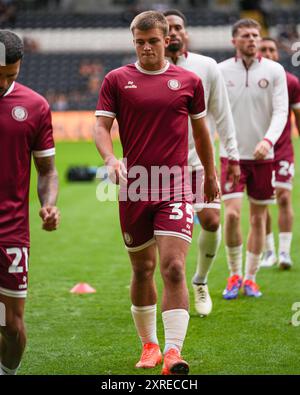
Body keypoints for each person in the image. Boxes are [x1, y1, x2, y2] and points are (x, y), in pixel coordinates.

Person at [94, 11, 219, 375]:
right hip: (134, 187)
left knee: (175, 267)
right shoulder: (117, 80)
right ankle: (148, 346)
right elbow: (101, 127)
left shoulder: (189, 81)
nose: (146, 48)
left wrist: (210, 175)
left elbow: (201, 134)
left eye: (153, 41)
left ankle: (174, 352)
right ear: (134, 42)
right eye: (140, 42)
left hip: (176, 184)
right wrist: (110, 158)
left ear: (168, 40)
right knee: (143, 268)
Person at [163, 9, 240, 317]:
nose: (175, 32)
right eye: (168, 28)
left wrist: (232, 155)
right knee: (162, 240)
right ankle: (168, 290)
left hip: (198, 163)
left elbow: (222, 113)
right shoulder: (149, 70)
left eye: (178, 27)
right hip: (162, 169)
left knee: (211, 220)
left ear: (185, 31)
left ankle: (201, 281)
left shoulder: (206, 66)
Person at [0, 30, 60, 375]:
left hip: (11, 232)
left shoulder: (35, 106)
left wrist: (49, 204)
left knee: (9, 325)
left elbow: (48, 170)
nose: (5, 80)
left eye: (12, 74)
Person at [219, 19, 288, 299]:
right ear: (234, 40)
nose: (251, 39)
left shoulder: (274, 71)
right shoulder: (221, 71)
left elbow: (281, 111)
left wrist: (268, 141)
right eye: (245, 35)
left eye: (255, 35)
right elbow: (215, 114)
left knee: (258, 220)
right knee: (233, 215)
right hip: (231, 157)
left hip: (263, 157)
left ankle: (250, 278)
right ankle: (234, 274)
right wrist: (226, 146)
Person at [259, 37, 300, 269]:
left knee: (284, 197)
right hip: (256, 152)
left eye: (271, 50)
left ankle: (284, 252)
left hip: (283, 150)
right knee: (261, 202)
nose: (267, 53)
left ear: (277, 54)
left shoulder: (291, 82)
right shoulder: (250, 81)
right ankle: (269, 252)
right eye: (263, 49)